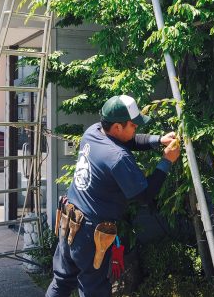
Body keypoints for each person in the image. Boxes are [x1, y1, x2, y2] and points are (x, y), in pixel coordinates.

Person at [46, 94, 180, 297]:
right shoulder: (117, 157)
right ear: (117, 127)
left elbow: (130, 141)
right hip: (90, 233)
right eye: (133, 125)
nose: (136, 129)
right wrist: (166, 161)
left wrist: (158, 140)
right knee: (95, 289)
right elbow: (144, 196)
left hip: (69, 218)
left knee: (62, 281)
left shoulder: (94, 131)